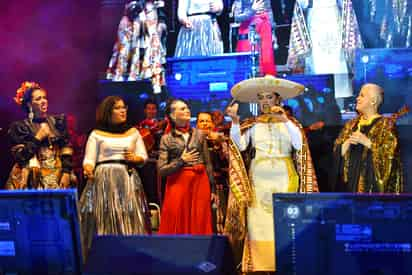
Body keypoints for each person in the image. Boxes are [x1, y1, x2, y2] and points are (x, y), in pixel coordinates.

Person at [224, 76, 318, 273]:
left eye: (268, 97)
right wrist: (234, 122)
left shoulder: (290, 123)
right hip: (258, 179)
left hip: (284, 178)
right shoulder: (253, 124)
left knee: (283, 220)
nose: (264, 101)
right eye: (261, 97)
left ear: (278, 99)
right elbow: (239, 145)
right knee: (258, 221)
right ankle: (260, 265)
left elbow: (299, 145)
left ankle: (284, 262)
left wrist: (284, 119)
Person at [79, 96, 150, 257]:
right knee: (104, 216)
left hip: (127, 178)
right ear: (108, 112)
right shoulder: (96, 134)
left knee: (128, 215)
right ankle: (104, 254)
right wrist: (88, 169)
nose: (123, 110)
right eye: (118, 108)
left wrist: (135, 158)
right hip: (104, 179)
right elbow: (89, 159)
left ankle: (129, 254)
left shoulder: (133, 132)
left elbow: (143, 157)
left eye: (124, 107)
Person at [332, 83, 404, 193]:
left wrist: (368, 143)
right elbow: (337, 152)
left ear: (373, 101)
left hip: (370, 190)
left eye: (362, 95)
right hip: (348, 187)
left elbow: (390, 157)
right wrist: (345, 145)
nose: (357, 98)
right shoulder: (350, 125)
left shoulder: (386, 125)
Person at [157, 99, 215, 234]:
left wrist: (213, 189)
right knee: (177, 219)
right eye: (182, 109)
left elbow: (208, 163)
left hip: (200, 182)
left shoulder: (199, 134)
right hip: (178, 182)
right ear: (172, 115)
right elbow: (161, 170)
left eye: (187, 108)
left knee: (200, 220)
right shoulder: (166, 138)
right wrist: (181, 161)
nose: (187, 110)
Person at [6, 81, 76, 190]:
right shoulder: (20, 126)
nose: (43, 101)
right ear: (29, 104)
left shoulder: (57, 122)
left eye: (44, 98)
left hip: (58, 174)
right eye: (38, 99)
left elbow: (66, 148)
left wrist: (66, 173)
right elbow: (21, 157)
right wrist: (38, 137)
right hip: (33, 176)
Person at [287, 0, 363, 98]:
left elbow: (344, 4)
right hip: (315, 20)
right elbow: (302, 4)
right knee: (317, 61)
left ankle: (341, 97)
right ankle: (318, 95)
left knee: (338, 62)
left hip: (334, 19)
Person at [231, 0, 277, 76]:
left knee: (267, 59)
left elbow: (269, 10)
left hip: (265, 27)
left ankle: (267, 84)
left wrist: (273, 33)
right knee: (248, 62)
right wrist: (252, 10)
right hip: (248, 28)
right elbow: (236, 17)